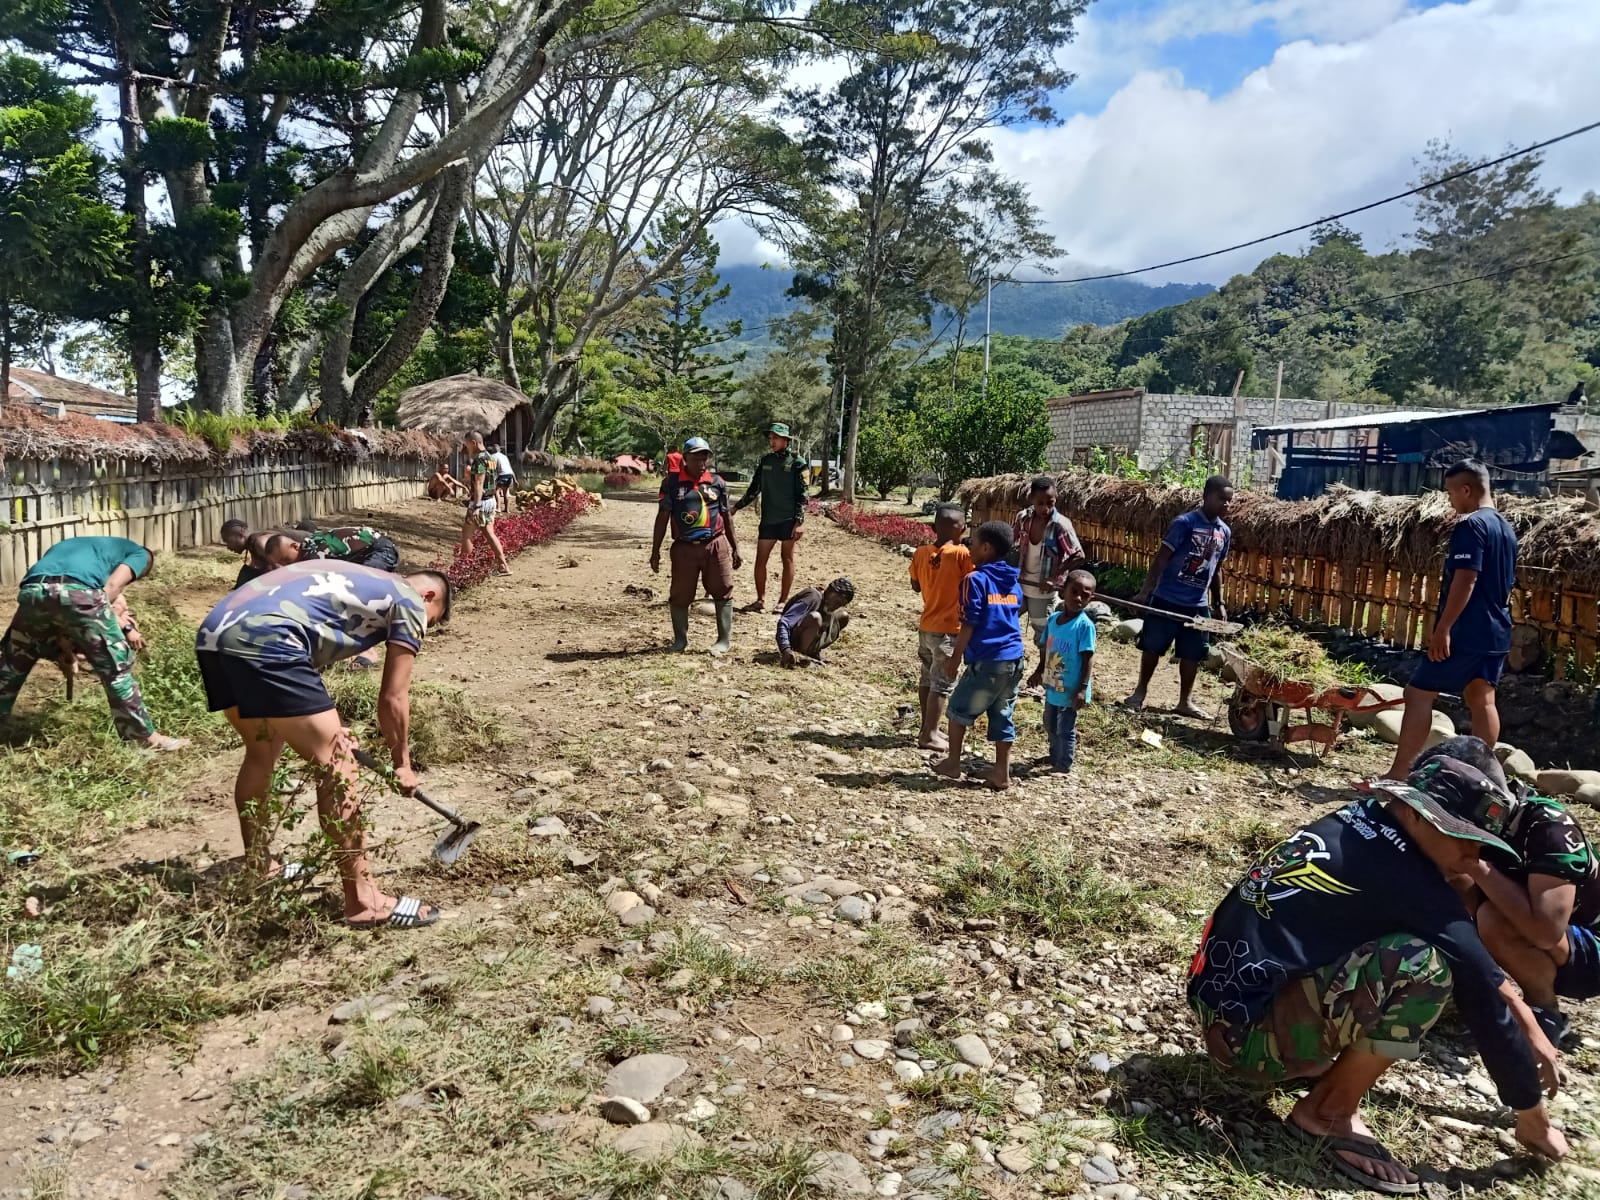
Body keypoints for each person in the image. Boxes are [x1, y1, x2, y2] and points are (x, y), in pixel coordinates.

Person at [1187, 755, 1566, 1194]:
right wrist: (1532, 1115)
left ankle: (1303, 1057)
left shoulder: (1359, 823)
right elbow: (1479, 989)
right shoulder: (1407, 877)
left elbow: (1480, 967)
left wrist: (1527, 1018)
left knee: (1416, 948)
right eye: (1461, 836)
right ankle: (1326, 1114)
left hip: (1226, 1008)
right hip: (1245, 1043)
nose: (1472, 855)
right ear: (1414, 813)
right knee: (1422, 966)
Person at [196, 559, 452, 929]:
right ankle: (364, 901)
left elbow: (305, 666)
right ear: (429, 596)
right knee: (338, 764)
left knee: (262, 749)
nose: (420, 630)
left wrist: (330, 724)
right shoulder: (409, 599)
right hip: (270, 638)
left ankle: (260, 865)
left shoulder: (363, 581)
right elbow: (393, 698)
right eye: (431, 620)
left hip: (216, 635)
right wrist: (402, 762)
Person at [1414, 736, 1600, 1049]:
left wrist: (1476, 865)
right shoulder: (1482, 822)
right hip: (1554, 940)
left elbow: (1545, 931)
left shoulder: (1549, 827)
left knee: (1491, 917)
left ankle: (1546, 1012)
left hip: (1589, 952)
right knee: (1449, 884)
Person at [1384, 459, 1517, 780]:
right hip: (1496, 628)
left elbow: (1466, 579)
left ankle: (1400, 773)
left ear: (1467, 490)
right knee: (1480, 697)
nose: (1449, 500)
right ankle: (1480, 777)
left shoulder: (1471, 526)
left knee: (1417, 693)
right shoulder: (1505, 528)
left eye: (1450, 492)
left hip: (1467, 630)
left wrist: (1443, 628)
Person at [0, 537, 190, 751]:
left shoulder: (77, 546)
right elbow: (110, 587)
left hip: (33, 592)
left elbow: (54, 591)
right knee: (116, 667)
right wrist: (114, 625)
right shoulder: (141, 555)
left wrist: (68, 638)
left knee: (13, 661)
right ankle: (143, 739)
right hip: (78, 593)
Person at [1123, 474, 1234, 719]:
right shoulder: (1185, 523)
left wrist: (1219, 603)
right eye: (1221, 499)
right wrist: (1145, 591)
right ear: (1206, 497)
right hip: (1168, 598)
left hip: (1197, 605)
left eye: (1229, 501)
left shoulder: (1224, 532)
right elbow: (1161, 558)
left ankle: (1185, 701)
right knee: (1152, 647)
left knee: (1192, 653)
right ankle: (1139, 692)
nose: (1226, 505)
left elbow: (1217, 569)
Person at [932, 521, 1024, 792]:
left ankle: (952, 763)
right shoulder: (1012, 581)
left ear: (985, 548)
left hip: (988, 660)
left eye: (972, 542)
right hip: (1015, 658)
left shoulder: (975, 580)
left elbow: (969, 623)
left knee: (958, 709)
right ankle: (1001, 773)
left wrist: (954, 659)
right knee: (1002, 714)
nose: (968, 545)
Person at [650, 436, 742, 655]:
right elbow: (662, 517)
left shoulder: (717, 482)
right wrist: (655, 551)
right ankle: (680, 640)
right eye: (696, 458)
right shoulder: (672, 483)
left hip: (715, 545)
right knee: (680, 594)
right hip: (684, 548)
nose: (701, 462)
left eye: (705, 457)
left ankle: (723, 640)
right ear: (685, 459)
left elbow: (726, 515)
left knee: (723, 590)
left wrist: (735, 546)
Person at [910, 504, 975, 751]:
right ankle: (930, 734)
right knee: (943, 683)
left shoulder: (920, 552)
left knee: (927, 678)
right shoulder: (961, 554)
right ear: (962, 530)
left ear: (934, 527)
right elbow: (974, 581)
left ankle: (926, 728)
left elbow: (915, 586)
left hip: (926, 625)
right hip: (949, 629)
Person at [734, 422, 811, 613]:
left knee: (787, 559)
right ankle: (760, 600)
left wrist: (799, 522)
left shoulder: (797, 462)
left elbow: (804, 494)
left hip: (788, 520)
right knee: (761, 560)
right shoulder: (766, 461)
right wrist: (737, 507)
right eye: (770, 438)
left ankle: (783, 601)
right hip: (768, 519)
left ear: (786, 440)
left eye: (776, 438)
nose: (772, 441)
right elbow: (754, 488)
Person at [1012, 476, 1085, 673]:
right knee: (1006, 618)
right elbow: (1013, 542)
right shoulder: (1023, 518)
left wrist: (1054, 577)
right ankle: (1007, 662)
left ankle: (1043, 671)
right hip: (1020, 584)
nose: (1045, 508)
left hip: (1042, 590)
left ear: (1056, 499)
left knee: (1043, 634)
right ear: (1032, 500)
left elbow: (1078, 554)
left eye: (1050, 503)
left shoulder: (1060, 524)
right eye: (1040, 503)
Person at [1027, 569, 1097, 774]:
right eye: (1074, 591)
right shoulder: (1054, 619)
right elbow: (1046, 648)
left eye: (1085, 595)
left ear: (1091, 598)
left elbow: (1087, 658)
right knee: (1049, 722)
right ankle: (1054, 754)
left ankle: (1063, 762)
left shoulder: (1085, 626)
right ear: (1063, 590)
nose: (1078, 598)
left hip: (1070, 688)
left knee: (1065, 728)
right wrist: (1039, 671)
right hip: (1052, 683)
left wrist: (1082, 689)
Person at [458, 431, 511, 576]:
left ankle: (464, 570)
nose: (466, 447)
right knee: (489, 534)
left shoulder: (479, 460)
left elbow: (479, 483)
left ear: (473, 443)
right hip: (491, 500)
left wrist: (476, 505)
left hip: (480, 502)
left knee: (467, 535)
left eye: (467, 444)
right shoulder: (490, 457)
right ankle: (503, 565)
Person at [777, 578, 854, 668]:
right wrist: (786, 649)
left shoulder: (826, 605)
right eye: (836, 600)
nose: (836, 606)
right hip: (793, 638)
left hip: (807, 636)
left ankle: (813, 653)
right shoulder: (812, 597)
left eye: (840, 604)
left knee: (843, 616)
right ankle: (801, 657)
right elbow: (784, 622)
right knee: (815, 617)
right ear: (829, 590)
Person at [266, 526, 401, 573]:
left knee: (363, 580)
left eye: (285, 560)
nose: (286, 565)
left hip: (381, 550)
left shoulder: (312, 556)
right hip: (369, 552)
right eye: (281, 563)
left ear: (295, 546)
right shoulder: (312, 541)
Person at [489, 442, 517, 513]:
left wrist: (491, 479)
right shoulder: (505, 456)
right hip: (509, 475)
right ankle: (507, 509)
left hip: (502, 475)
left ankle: (498, 508)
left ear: (493, 450)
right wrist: (515, 480)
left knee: (496, 491)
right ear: (499, 450)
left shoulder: (492, 456)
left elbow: (492, 469)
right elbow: (510, 468)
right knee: (505, 493)